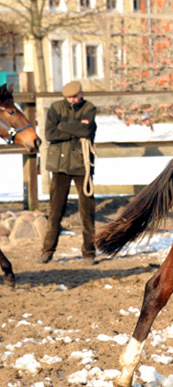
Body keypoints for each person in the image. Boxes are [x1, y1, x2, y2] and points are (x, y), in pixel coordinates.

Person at [39, 81, 97, 265]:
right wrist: (76, 127)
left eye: (75, 96)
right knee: (56, 210)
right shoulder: (56, 108)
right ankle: (47, 251)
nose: (72, 100)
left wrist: (63, 126)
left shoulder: (89, 107)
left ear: (82, 93)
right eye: (69, 97)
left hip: (82, 165)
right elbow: (50, 134)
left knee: (87, 211)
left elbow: (87, 130)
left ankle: (89, 252)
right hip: (60, 166)